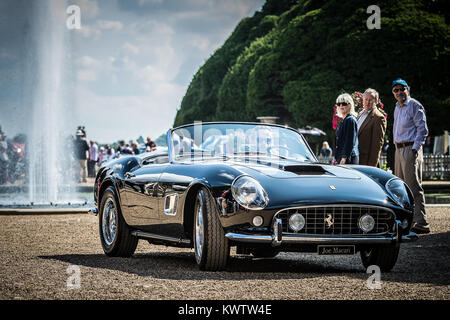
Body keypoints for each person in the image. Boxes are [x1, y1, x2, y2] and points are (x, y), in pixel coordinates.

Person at [392, 78, 430, 234]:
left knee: (413, 186)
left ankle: (422, 222)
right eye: (396, 90)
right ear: (393, 93)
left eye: (402, 89)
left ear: (408, 89)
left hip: (410, 149)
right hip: (399, 149)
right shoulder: (396, 107)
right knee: (400, 188)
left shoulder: (414, 105)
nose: (399, 92)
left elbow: (422, 129)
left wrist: (415, 149)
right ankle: (407, 221)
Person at [357, 88, 387, 167]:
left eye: (370, 100)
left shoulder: (379, 118)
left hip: (366, 162)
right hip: (356, 159)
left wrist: (372, 167)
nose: (367, 102)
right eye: (366, 99)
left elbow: (377, 146)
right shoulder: (360, 114)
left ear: (376, 102)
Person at [334, 93, 359, 164]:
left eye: (344, 103)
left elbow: (350, 141)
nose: (341, 106)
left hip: (348, 158)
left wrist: (344, 158)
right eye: (339, 104)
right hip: (343, 157)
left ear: (349, 105)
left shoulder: (350, 120)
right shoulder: (345, 120)